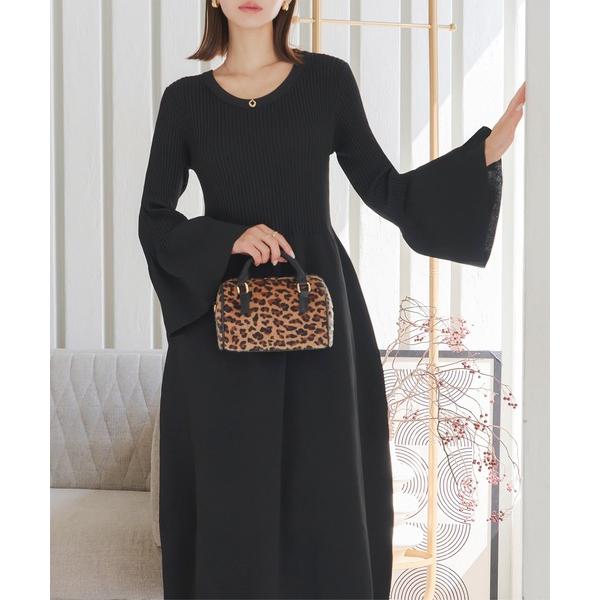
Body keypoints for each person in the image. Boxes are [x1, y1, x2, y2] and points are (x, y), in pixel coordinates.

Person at [137, 1, 525, 598]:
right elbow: (155, 218)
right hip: (225, 331)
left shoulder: (327, 81)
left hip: (321, 320)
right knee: (232, 496)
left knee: (327, 488)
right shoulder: (184, 101)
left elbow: (387, 190)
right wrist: (226, 238)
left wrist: (486, 153)